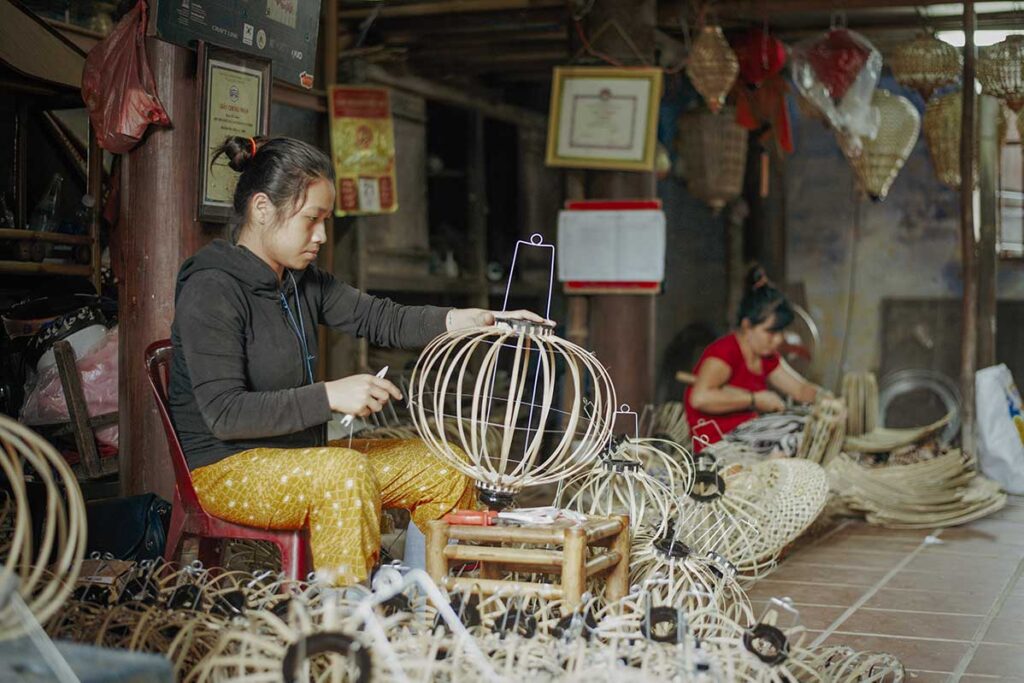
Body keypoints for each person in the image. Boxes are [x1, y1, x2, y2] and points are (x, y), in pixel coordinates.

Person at [168, 135, 545, 586]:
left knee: (444, 467)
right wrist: (330, 395)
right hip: (226, 470)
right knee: (343, 475)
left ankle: (428, 607)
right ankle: (347, 624)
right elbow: (225, 414)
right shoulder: (211, 288)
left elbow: (379, 317)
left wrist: (469, 319)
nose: (322, 236)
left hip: (302, 458)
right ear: (262, 208)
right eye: (312, 220)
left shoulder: (299, 282)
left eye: (325, 221)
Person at [685, 266, 824, 449]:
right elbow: (700, 398)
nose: (778, 339)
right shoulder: (725, 352)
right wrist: (754, 400)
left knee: (811, 428)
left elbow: (799, 390)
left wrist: (827, 400)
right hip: (717, 441)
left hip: (747, 431)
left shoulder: (766, 356)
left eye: (780, 331)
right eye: (771, 332)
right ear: (747, 326)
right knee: (794, 434)